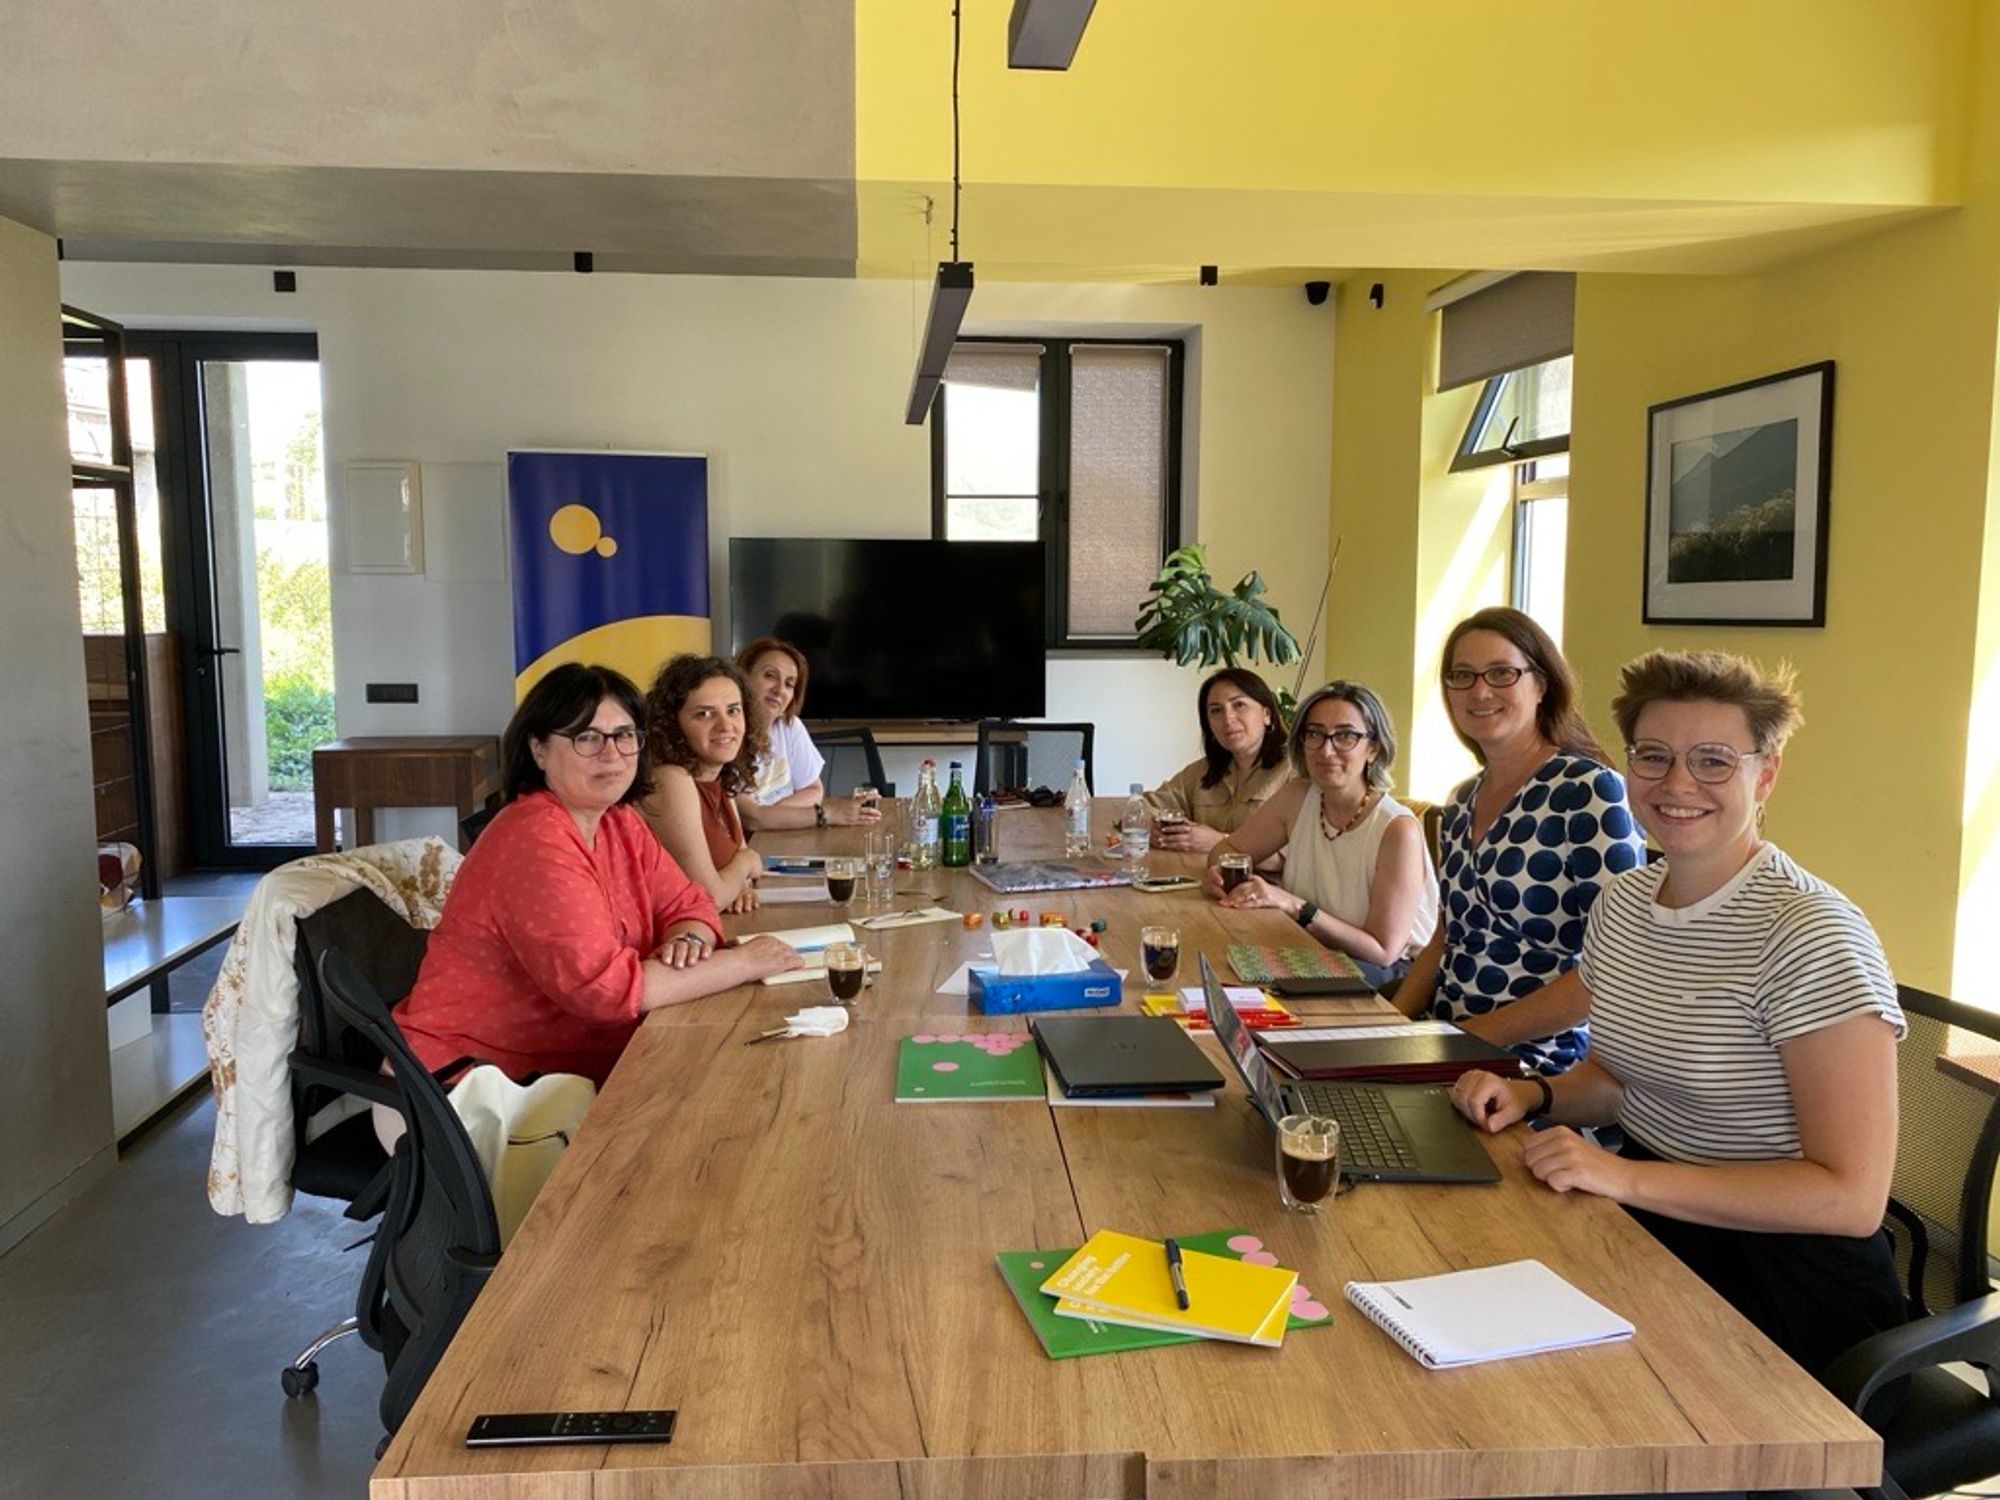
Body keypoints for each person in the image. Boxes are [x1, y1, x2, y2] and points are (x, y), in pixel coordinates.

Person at [1451, 650, 1905, 1378]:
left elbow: (1850, 1198)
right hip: (1652, 1228)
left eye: (1714, 761)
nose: (1678, 784)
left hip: (1787, 1283)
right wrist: (1532, 1094)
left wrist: (1622, 1179)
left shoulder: (1811, 932)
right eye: (1654, 757)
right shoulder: (1626, 903)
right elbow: (1616, 1081)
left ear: (1768, 774)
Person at [389, 663, 801, 1095]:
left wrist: (689, 943)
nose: (613, 754)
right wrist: (744, 962)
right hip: (475, 1086)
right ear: (539, 749)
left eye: (625, 736)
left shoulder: (618, 819)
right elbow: (606, 991)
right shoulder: (534, 838)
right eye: (587, 737)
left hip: (580, 1068)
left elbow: (689, 902)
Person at [1390, 606, 1644, 1074]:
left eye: (1502, 673)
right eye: (1461, 676)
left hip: (1540, 1063)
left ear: (1542, 684)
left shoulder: (1588, 790)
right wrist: (1386, 1030)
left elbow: (1616, 967)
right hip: (1446, 1041)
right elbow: (1447, 937)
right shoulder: (1462, 799)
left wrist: (1466, 1041)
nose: (1480, 691)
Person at [1203, 681, 1437, 988]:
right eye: (1314, 735)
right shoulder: (1298, 796)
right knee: (1207, 962)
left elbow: (1382, 951)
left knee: (1240, 990)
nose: (1326, 750)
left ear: (1373, 748)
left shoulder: (1397, 829)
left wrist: (1293, 905)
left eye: (1345, 736)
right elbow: (1228, 849)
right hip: (1309, 949)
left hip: (1390, 976)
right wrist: (1219, 875)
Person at [639, 654, 767, 913]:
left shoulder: (718, 777)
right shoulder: (671, 780)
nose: (725, 725)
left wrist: (739, 881)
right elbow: (709, 897)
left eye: (733, 710)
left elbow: (748, 879)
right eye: (704, 714)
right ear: (673, 724)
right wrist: (744, 865)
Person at [733, 637, 883, 833]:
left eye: (789, 684)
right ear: (742, 677)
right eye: (769, 675)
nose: (779, 690)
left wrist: (772, 816)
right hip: (749, 849)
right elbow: (752, 819)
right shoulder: (726, 735)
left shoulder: (789, 726)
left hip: (786, 835)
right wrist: (829, 814)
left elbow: (813, 790)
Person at [1145, 667, 1294, 855]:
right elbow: (1143, 805)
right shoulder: (1202, 771)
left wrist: (1220, 843)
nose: (1228, 719)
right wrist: (1152, 826)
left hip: (1267, 883)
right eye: (1216, 710)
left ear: (1267, 714)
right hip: (1204, 878)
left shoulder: (1296, 773)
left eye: (1239, 705)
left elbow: (1297, 856)